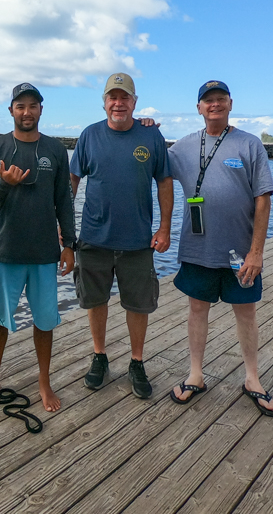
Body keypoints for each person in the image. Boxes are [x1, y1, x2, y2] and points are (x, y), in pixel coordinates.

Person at [167, 80, 273, 416]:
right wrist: (144, 130)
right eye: (207, 100)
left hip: (239, 252)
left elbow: (263, 200)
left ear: (230, 104)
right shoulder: (182, 147)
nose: (214, 105)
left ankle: (252, 378)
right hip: (197, 249)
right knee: (197, 309)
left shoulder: (250, 144)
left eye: (220, 99)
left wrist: (256, 251)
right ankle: (196, 375)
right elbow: (150, 166)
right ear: (198, 108)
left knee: (246, 313)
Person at [0, 83, 77, 412]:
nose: (27, 112)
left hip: (45, 252)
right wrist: (6, 183)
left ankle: (44, 380)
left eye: (33, 105)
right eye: (21, 106)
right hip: (6, 251)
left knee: (45, 320)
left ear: (41, 110)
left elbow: (64, 200)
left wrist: (69, 244)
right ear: (11, 110)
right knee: (0, 318)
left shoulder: (56, 150)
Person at [70, 73, 173, 399]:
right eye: (112, 97)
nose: (118, 103)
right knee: (95, 300)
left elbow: (165, 182)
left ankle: (136, 361)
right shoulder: (89, 136)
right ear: (104, 102)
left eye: (124, 97)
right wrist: (62, 225)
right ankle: (99, 356)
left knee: (138, 305)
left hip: (137, 241)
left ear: (134, 102)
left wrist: (165, 227)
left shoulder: (151, 137)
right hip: (93, 238)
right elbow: (72, 180)